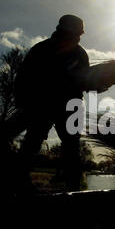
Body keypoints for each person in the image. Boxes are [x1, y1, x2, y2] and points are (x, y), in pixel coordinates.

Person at [13, 14, 89, 192]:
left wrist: (97, 85)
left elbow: (86, 82)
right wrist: (23, 103)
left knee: (71, 149)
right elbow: (22, 79)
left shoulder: (80, 54)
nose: (79, 38)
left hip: (70, 107)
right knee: (32, 143)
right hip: (42, 107)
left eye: (80, 35)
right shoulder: (40, 50)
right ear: (64, 32)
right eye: (76, 34)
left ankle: (74, 190)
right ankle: (18, 186)